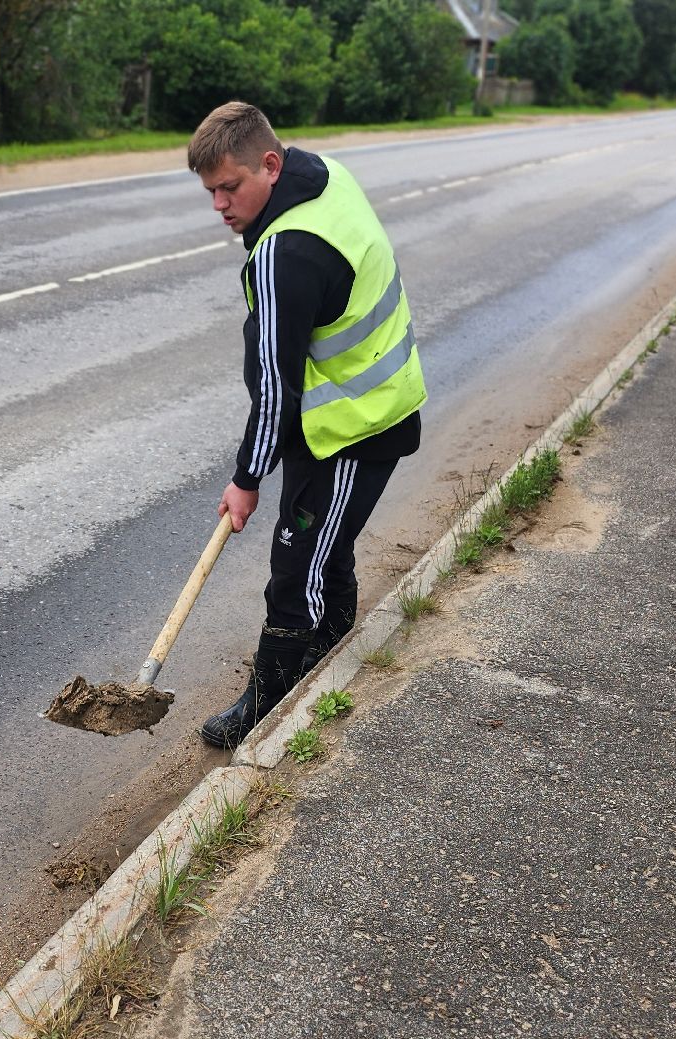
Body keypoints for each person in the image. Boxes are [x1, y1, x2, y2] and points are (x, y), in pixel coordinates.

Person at [188, 101, 426, 749]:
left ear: (269, 164)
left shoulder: (283, 254)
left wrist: (246, 479)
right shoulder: (322, 174)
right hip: (344, 410)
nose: (218, 204)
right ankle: (333, 634)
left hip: (357, 426)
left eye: (229, 187)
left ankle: (268, 702)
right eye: (210, 191)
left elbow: (274, 387)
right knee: (322, 543)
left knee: (296, 567)